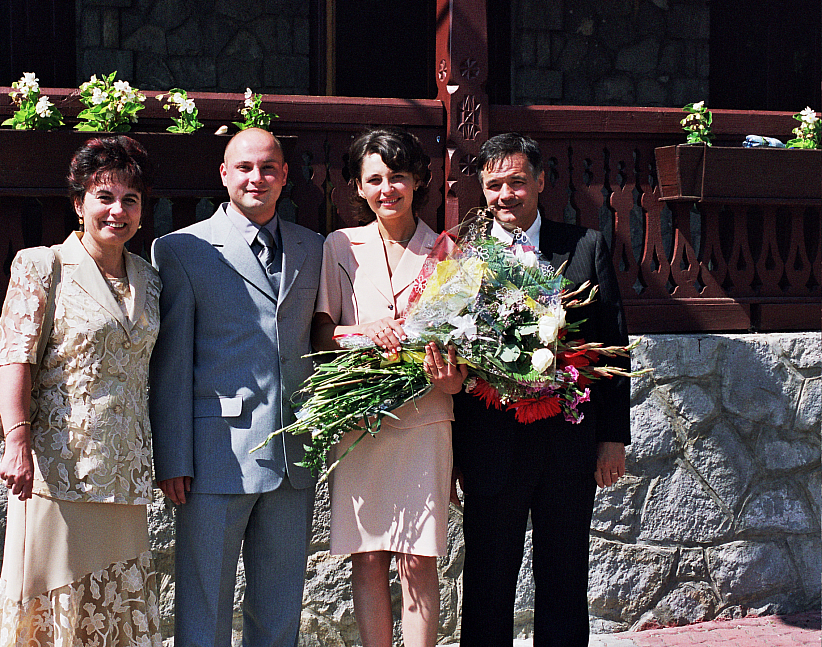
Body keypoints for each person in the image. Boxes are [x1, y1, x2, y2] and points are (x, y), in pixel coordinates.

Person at [452, 133, 630, 647]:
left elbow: (611, 344)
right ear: (482, 190)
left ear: (541, 182)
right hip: (491, 445)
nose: (505, 195)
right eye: (493, 185)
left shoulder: (583, 246)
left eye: (517, 182)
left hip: (567, 443)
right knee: (486, 579)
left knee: (565, 573)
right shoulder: (465, 257)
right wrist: (454, 452)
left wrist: (613, 439)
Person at [149, 127, 324, 647]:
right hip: (214, 456)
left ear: (285, 176)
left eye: (269, 167)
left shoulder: (311, 247)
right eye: (245, 167)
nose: (257, 177)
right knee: (204, 608)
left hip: (295, 454)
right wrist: (174, 456)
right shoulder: (183, 248)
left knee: (279, 610)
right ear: (224, 175)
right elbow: (172, 362)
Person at [0, 135, 162, 646]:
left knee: (117, 612)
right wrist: (17, 443)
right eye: (104, 197)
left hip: (125, 474)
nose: (117, 210)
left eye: (130, 199)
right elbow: (13, 357)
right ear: (78, 203)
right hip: (54, 473)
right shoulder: (41, 266)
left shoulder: (151, 280)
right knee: (53, 611)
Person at [311, 126, 467, 647]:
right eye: (374, 179)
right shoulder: (339, 246)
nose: (386, 189)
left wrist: (455, 374)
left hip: (427, 415)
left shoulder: (447, 249)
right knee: (369, 552)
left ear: (419, 179)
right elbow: (322, 333)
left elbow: (464, 336)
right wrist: (362, 333)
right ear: (357, 187)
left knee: (420, 556)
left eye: (397, 177)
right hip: (361, 420)